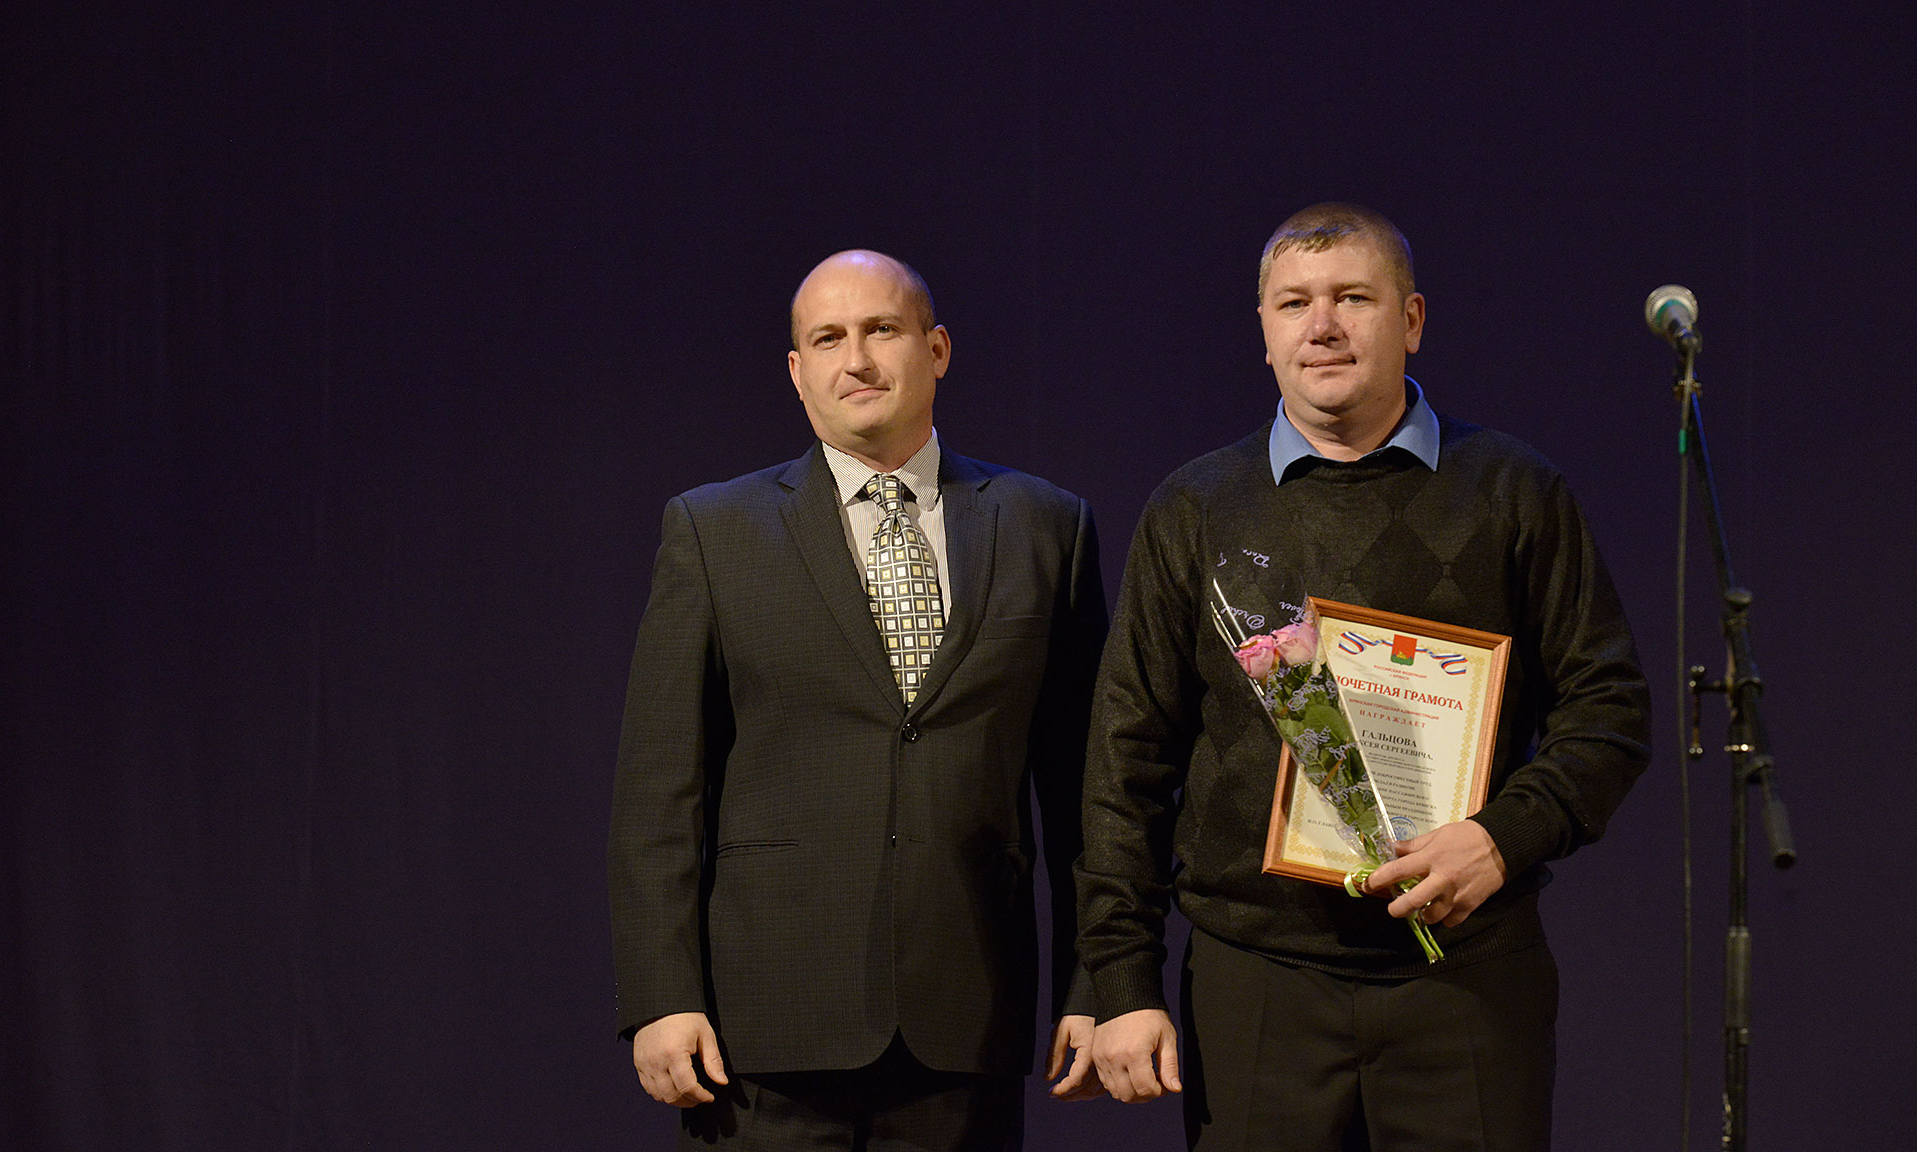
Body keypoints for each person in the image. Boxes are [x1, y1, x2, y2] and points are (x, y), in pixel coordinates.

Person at [1076, 204, 1651, 1150]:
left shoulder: (1515, 490)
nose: (1323, 326)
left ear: (1412, 319)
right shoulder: (1195, 507)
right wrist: (1121, 978)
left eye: (1353, 298)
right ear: (1264, 332)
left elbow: (1611, 711)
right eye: (1293, 303)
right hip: (1256, 983)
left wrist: (1500, 839)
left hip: (1468, 979)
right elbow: (1124, 756)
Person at [609, 249, 1106, 1149]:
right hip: (763, 1032)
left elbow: (1083, 792)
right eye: (828, 339)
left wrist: (1097, 983)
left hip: (966, 1018)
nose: (858, 361)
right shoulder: (713, 531)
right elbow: (660, 794)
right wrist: (661, 995)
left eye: (882, 330)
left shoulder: (1045, 525)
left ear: (937, 349)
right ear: (797, 370)